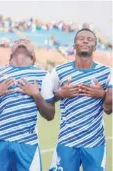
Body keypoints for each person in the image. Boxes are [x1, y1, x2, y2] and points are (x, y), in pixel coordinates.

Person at [0, 39, 55, 171]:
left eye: (27, 41)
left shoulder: (43, 76)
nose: (22, 42)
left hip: (27, 145)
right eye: (18, 41)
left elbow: (50, 114)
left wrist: (36, 95)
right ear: (10, 54)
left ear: (33, 56)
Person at [48, 28, 111, 171]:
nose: (85, 41)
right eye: (81, 38)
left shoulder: (107, 72)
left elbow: (109, 109)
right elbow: (46, 102)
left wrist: (102, 94)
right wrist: (60, 93)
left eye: (90, 39)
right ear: (74, 45)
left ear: (95, 46)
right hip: (66, 142)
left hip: (95, 143)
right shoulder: (59, 71)